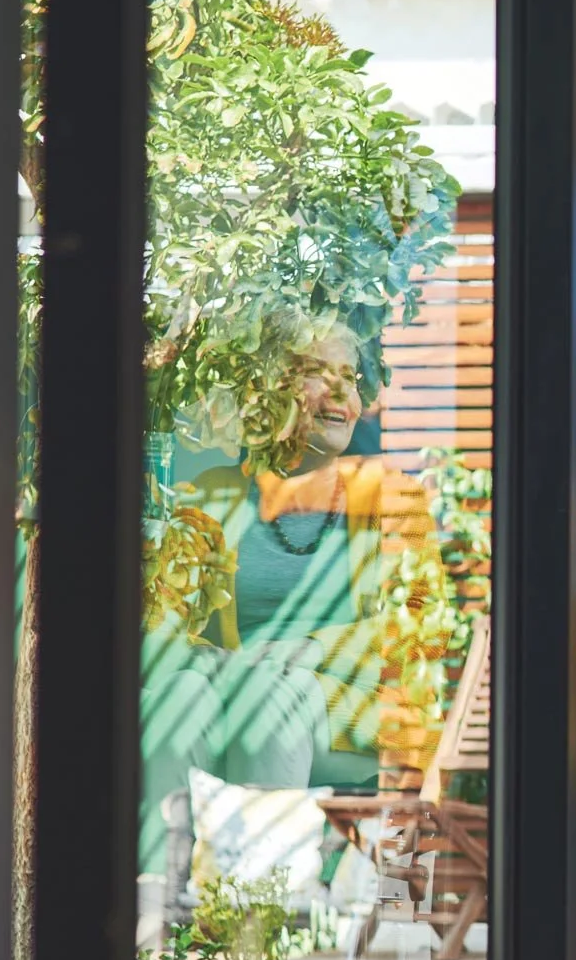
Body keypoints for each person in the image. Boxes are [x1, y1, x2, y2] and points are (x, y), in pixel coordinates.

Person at [139, 320, 434, 875]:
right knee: (173, 698)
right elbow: (169, 629)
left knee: (269, 696)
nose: (344, 396)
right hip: (237, 690)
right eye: (319, 376)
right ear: (265, 391)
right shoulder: (209, 498)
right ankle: (159, 904)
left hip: (353, 714)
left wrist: (299, 653)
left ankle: (262, 905)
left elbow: (418, 638)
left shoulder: (397, 499)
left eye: (351, 380)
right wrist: (206, 663)